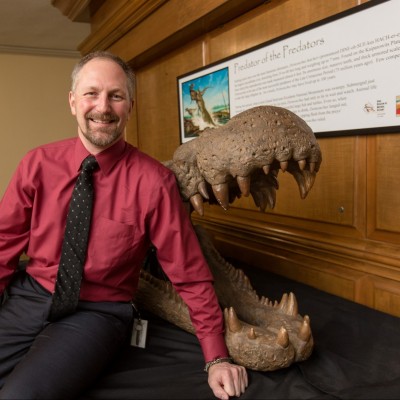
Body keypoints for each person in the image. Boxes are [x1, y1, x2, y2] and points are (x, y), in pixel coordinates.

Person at [0, 51, 248, 399]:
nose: (103, 107)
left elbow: (189, 272)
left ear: (129, 105)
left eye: (115, 96)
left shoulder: (155, 183)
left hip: (96, 314)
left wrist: (216, 356)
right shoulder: (36, 164)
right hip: (30, 296)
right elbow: (3, 245)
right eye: (91, 93)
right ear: (73, 101)